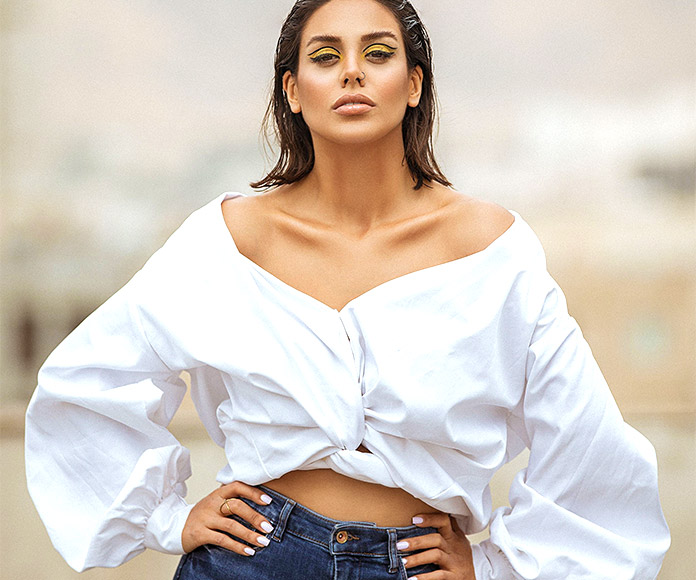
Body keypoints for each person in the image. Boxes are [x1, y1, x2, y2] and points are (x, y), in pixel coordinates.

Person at [25, 0, 670, 578]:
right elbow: (85, 383)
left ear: (414, 84)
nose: (353, 71)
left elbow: (587, 443)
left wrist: (495, 563)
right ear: (294, 90)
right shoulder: (225, 240)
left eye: (379, 53)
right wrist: (168, 520)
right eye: (326, 56)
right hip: (252, 560)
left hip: (421, 566)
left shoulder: (492, 250)